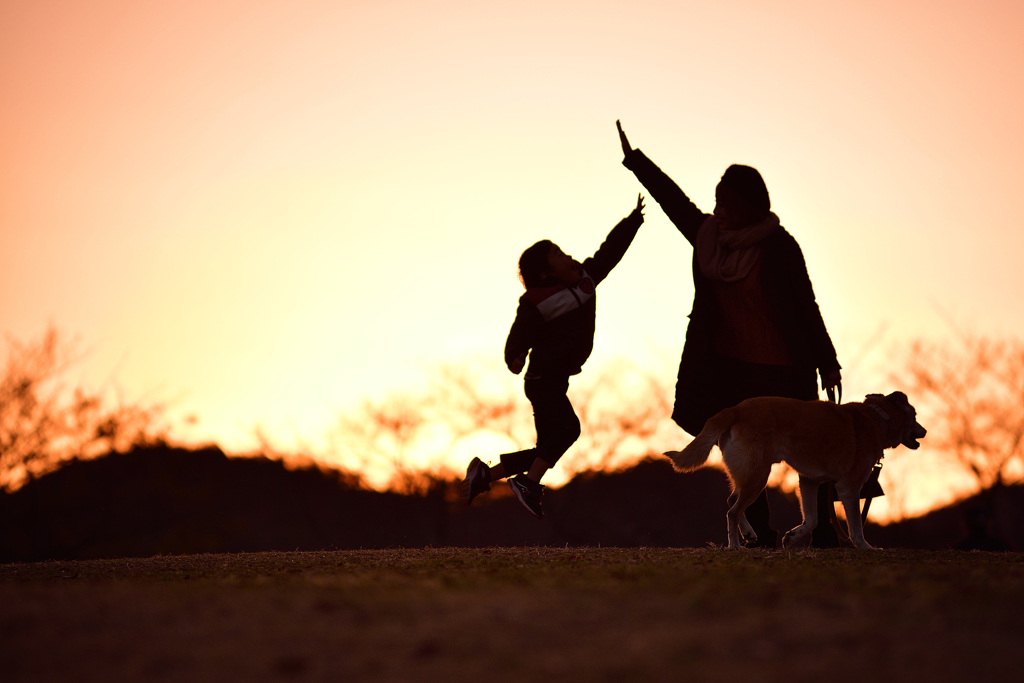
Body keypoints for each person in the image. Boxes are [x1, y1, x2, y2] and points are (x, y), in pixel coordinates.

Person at [616, 120, 842, 548]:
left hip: (784, 370)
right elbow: (674, 201)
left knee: (812, 449)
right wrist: (636, 161)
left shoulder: (780, 247)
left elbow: (807, 307)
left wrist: (827, 362)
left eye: (728, 203)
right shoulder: (708, 239)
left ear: (749, 206)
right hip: (729, 369)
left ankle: (824, 530)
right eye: (717, 201)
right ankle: (757, 534)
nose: (718, 210)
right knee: (745, 454)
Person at [461, 194, 646, 518]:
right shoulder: (536, 303)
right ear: (547, 274)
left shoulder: (587, 279)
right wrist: (514, 357)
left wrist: (633, 221)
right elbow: (516, 338)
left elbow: (610, 252)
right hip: (542, 379)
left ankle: (485, 475)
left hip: (554, 380)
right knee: (568, 431)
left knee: (544, 450)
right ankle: (528, 485)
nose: (568, 254)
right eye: (559, 254)